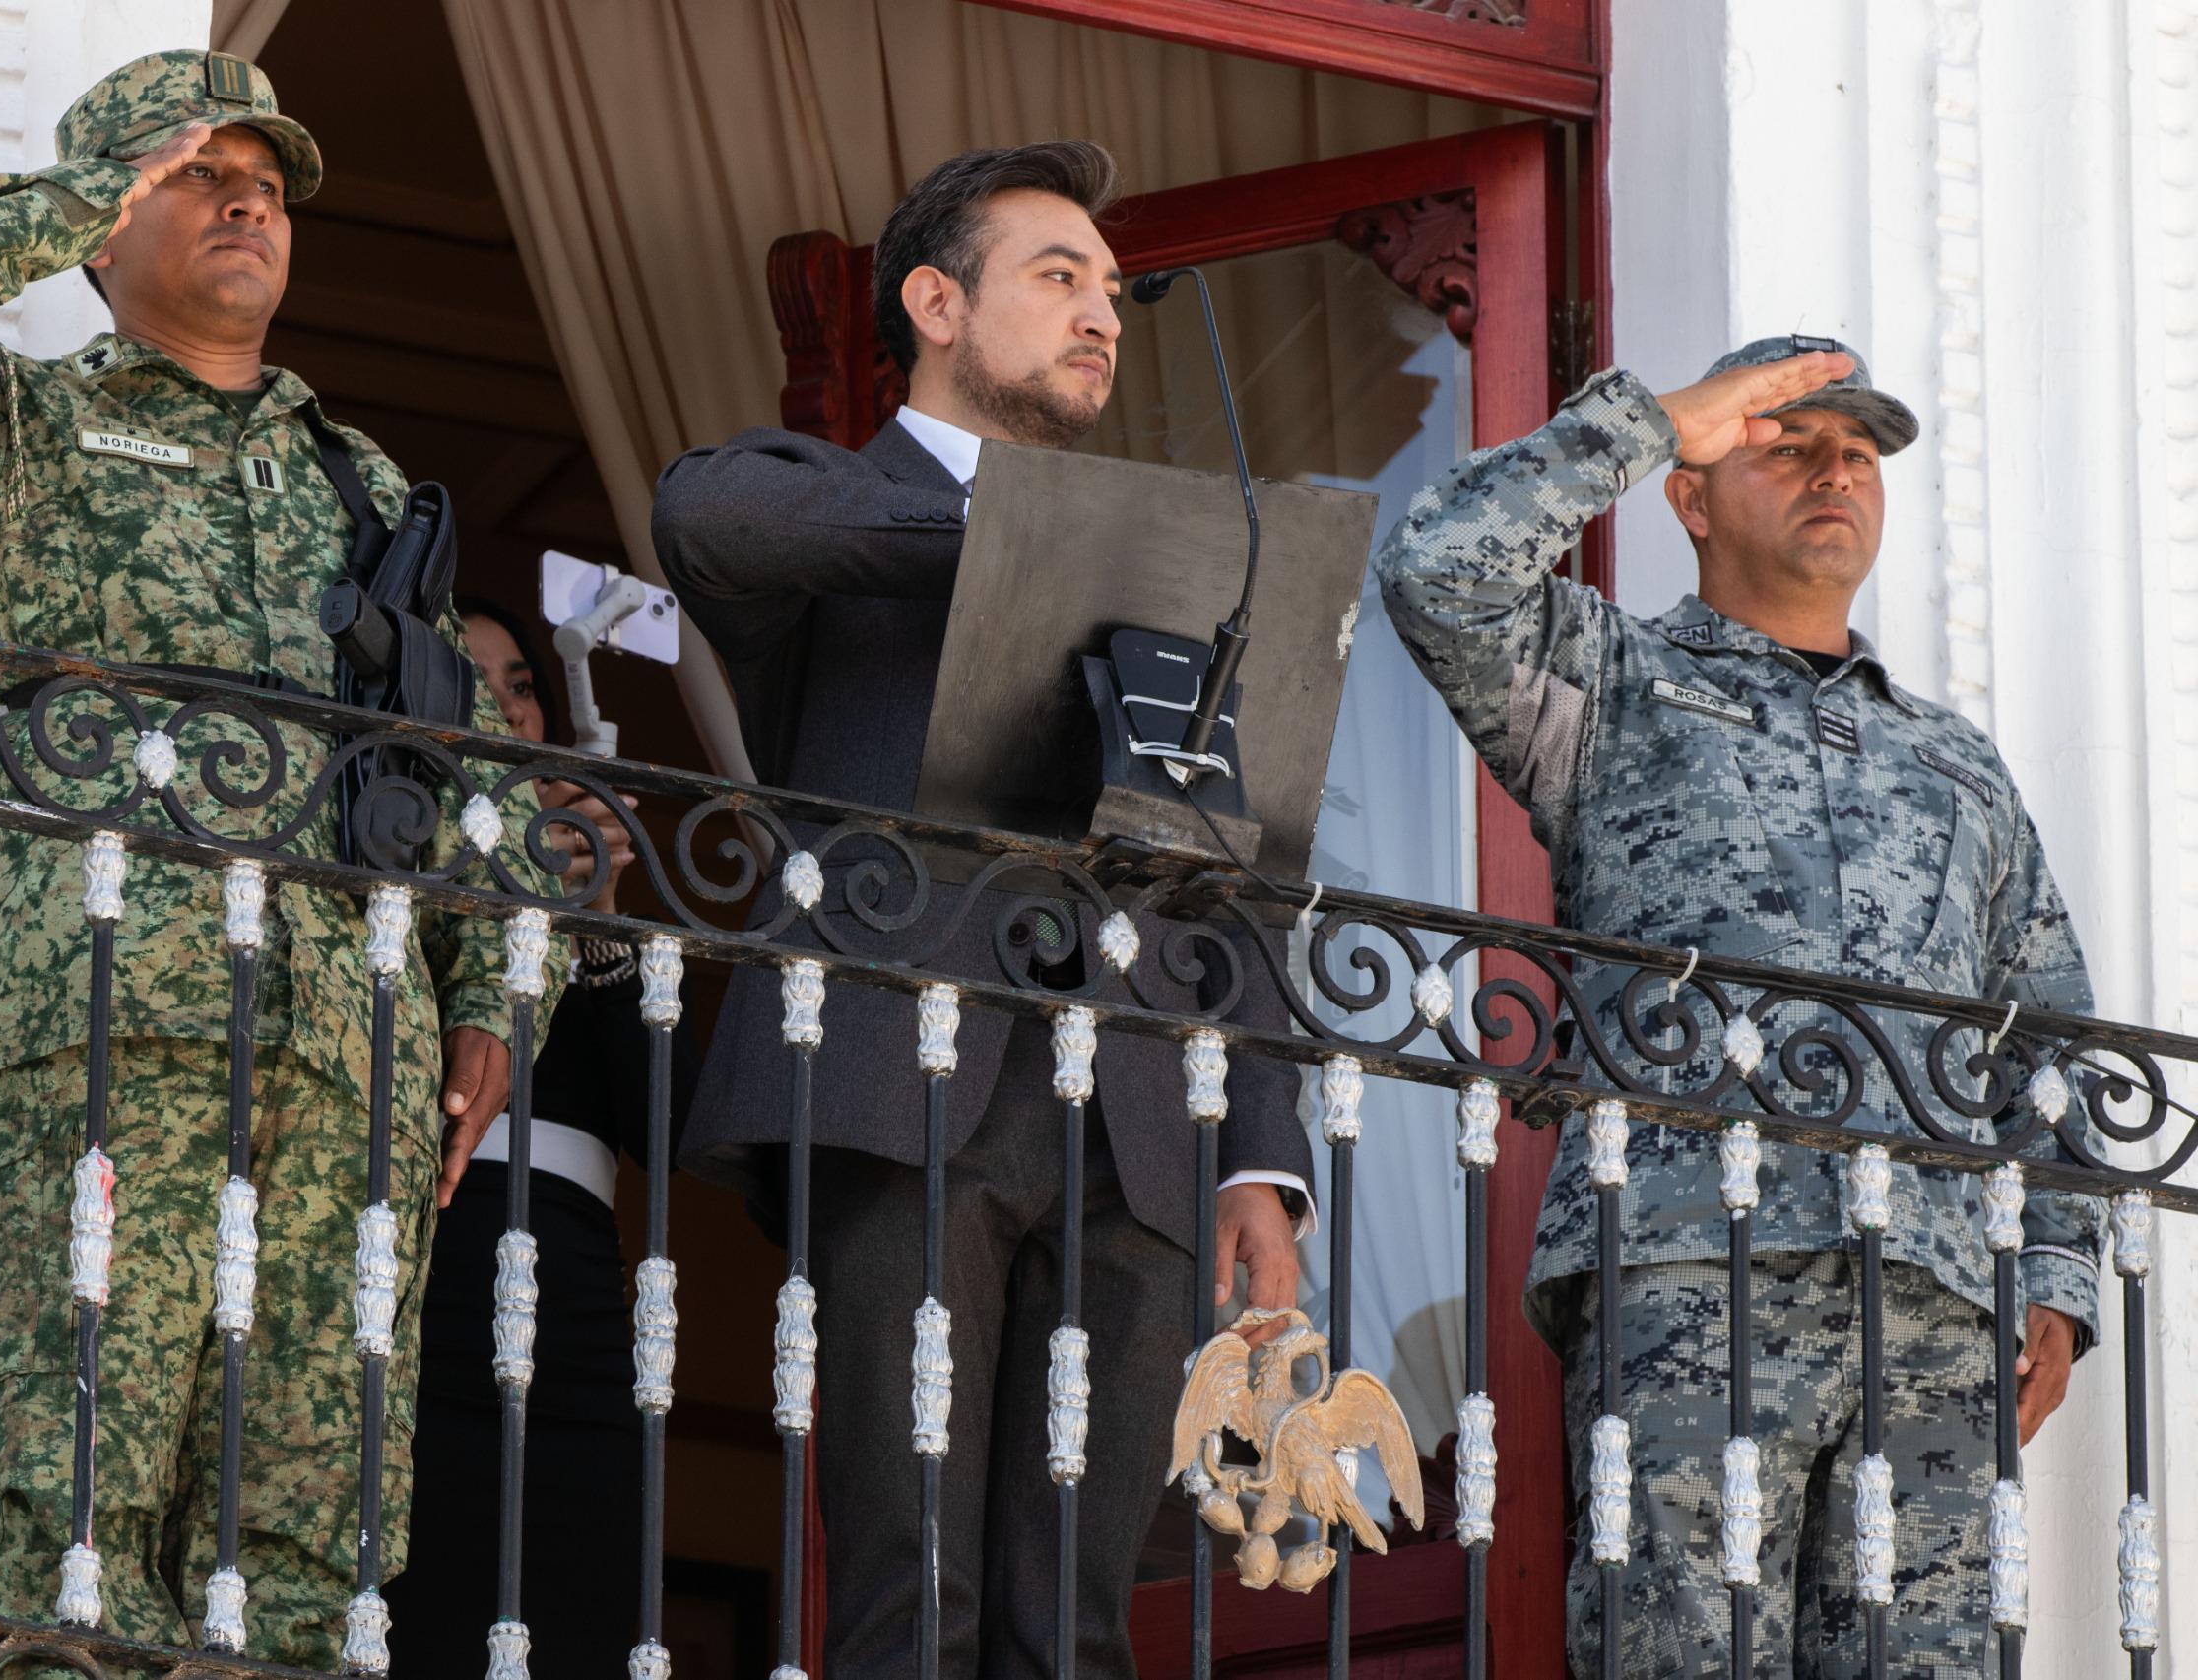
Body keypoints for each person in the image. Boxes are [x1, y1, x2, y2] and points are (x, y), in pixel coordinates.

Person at [0, 50, 563, 1669]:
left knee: (314, 1543)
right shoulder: (18, 418)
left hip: (352, 1051)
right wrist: (61, 203)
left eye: (264, 184)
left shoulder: (359, 479)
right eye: (197, 174)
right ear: (112, 219)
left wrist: (491, 995)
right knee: (85, 1524)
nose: (247, 202)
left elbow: (455, 752)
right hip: (114, 1017)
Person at [653, 142, 1311, 1680]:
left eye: (1114, 291)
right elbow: (707, 516)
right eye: (1059, 277)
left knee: (1077, 1619)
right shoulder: (826, 502)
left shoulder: (1165, 578)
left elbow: (1229, 874)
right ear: (936, 305)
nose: (1104, 317)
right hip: (905, 1091)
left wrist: (1258, 1157)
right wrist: (1027, 545)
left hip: (1138, 1122)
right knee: (915, 1589)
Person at [1374, 338, 2102, 1675]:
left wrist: (2055, 1274)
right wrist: (1654, 422)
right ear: (1693, 495)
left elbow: (2046, 1026)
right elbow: (1438, 570)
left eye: (1859, 453)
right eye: (1790, 443)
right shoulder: (1613, 680)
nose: (1836, 471)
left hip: (1935, 1295)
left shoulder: (1958, 762)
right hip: (1689, 1262)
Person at [386, 598, 683, 1677]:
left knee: (579, 1604)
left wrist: (597, 913)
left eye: (522, 684)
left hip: (576, 1311)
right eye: (477, 682)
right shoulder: (389, 848)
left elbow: (669, 1125)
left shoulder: (587, 880)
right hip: (426, 1274)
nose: (509, 708)